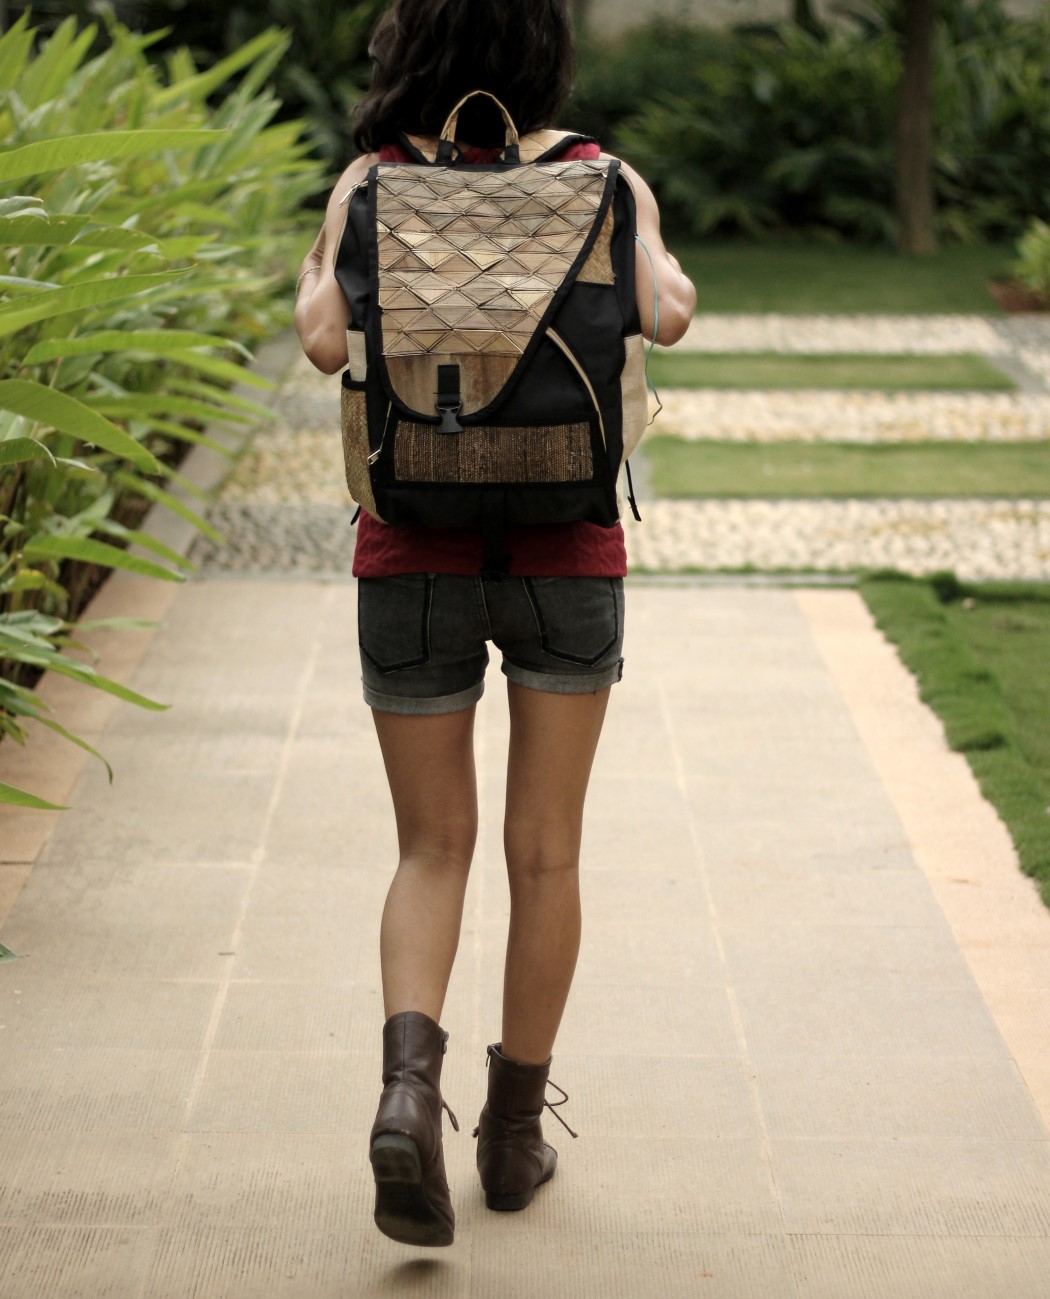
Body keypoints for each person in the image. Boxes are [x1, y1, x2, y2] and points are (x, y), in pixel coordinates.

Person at [294, 0, 695, 1249]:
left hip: (409, 546)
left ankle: (408, 1096)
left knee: (430, 850)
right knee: (546, 855)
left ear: (410, 48)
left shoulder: (374, 180)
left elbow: (320, 341)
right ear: (546, 51)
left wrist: (341, 266)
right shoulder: (603, 180)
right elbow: (669, 315)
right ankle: (512, 1141)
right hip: (566, 552)